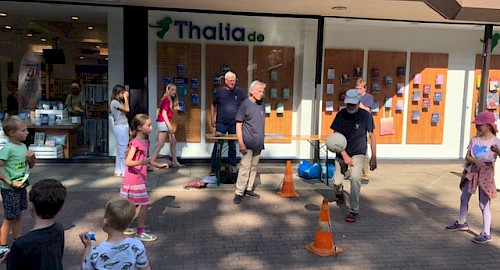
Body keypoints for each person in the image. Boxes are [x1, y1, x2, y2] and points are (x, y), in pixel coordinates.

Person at [446, 111, 500, 244]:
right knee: (464, 197)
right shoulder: (475, 139)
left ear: (488, 125)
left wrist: (497, 151)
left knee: (483, 203)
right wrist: (475, 161)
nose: (477, 127)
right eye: (476, 125)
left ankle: (486, 232)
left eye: (479, 125)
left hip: (486, 172)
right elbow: (467, 156)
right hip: (472, 170)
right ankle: (462, 222)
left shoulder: (496, 141)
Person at [330, 89, 377, 222]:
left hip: (358, 152)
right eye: (348, 104)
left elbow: (372, 136)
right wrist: (344, 155)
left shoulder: (365, 116)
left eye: (353, 104)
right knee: (337, 182)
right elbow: (335, 138)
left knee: (355, 179)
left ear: (358, 102)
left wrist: (374, 157)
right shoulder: (341, 115)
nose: (350, 106)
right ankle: (339, 193)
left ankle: (353, 211)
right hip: (342, 152)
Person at [4, 179, 66, 270]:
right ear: (60, 208)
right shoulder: (59, 229)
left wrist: (14, 255)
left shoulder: (21, 244)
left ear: (31, 206)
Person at [79, 197, 150, 270]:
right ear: (128, 224)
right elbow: (145, 268)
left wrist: (87, 248)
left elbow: (85, 268)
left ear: (105, 222)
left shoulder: (96, 251)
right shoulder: (137, 246)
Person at [120, 114, 160, 242]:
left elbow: (147, 160)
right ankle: (140, 231)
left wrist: (159, 164)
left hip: (139, 179)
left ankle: (122, 227)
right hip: (133, 180)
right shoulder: (136, 143)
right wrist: (143, 162)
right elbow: (128, 162)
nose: (151, 127)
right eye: (148, 125)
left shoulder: (145, 142)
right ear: (139, 128)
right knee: (145, 204)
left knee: (132, 205)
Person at [0, 116, 36, 255]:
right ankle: (2, 246)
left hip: (21, 186)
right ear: (12, 133)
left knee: (18, 215)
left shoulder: (23, 147)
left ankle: (18, 241)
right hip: (10, 189)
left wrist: (31, 158)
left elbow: (30, 166)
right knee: (9, 217)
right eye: (24, 130)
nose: (27, 132)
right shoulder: (7, 149)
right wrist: (10, 182)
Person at [233, 80, 266, 204]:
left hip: (258, 142)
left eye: (262, 91)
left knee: (254, 167)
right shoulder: (245, 104)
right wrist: (241, 143)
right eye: (259, 91)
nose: (261, 94)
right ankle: (239, 192)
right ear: (251, 91)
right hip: (247, 142)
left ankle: (249, 189)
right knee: (244, 168)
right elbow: (238, 124)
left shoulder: (262, 105)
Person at [210, 71, 247, 176]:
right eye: (230, 80)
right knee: (218, 145)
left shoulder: (239, 91)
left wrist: (244, 119)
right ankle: (214, 168)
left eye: (234, 81)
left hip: (234, 123)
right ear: (225, 81)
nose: (232, 82)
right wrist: (212, 118)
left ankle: (232, 167)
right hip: (221, 122)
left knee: (233, 145)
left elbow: (246, 104)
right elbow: (213, 104)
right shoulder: (219, 91)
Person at [150, 83, 181, 168]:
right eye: (172, 90)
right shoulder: (166, 100)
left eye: (175, 90)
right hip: (163, 123)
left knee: (173, 142)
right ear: (168, 90)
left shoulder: (168, 99)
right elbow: (164, 114)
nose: (174, 92)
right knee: (161, 144)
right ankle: (152, 161)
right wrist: (169, 126)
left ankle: (175, 161)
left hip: (164, 122)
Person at [355, 78, 374, 182]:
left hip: (364, 125)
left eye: (360, 88)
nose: (358, 90)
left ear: (364, 88)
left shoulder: (369, 97)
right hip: (354, 125)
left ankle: (365, 173)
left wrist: (360, 103)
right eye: (357, 88)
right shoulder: (354, 97)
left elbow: (368, 110)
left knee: (364, 149)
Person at [110, 85, 130, 177]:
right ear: (117, 93)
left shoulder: (118, 102)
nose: (123, 95)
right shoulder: (115, 102)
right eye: (122, 93)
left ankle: (118, 170)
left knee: (120, 149)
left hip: (123, 125)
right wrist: (126, 98)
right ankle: (123, 171)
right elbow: (127, 109)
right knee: (123, 148)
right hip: (120, 126)